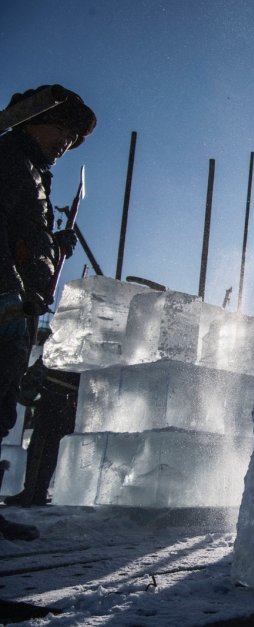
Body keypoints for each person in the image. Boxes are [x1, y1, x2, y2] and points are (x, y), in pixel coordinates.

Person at [0, 85, 95, 539]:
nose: (67, 143)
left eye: (73, 139)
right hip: (6, 302)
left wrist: (54, 247)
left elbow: (24, 241)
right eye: (63, 130)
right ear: (33, 118)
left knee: (0, 407)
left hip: (20, 306)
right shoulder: (10, 160)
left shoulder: (35, 175)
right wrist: (10, 290)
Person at [4, 357, 79, 507]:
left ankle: (34, 493)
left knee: (44, 449)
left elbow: (37, 372)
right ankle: (34, 491)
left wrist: (27, 395)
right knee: (44, 449)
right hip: (60, 403)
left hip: (57, 404)